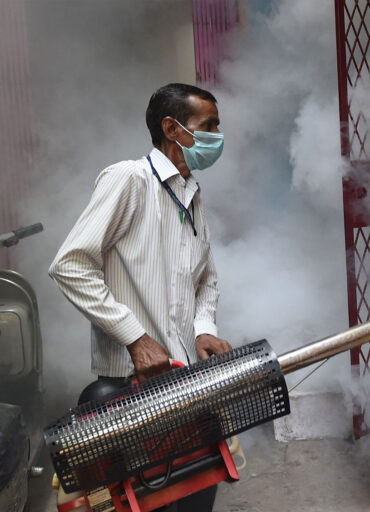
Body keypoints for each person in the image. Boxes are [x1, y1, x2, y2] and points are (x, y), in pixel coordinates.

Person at [49, 83, 232, 511]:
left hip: (184, 383)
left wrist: (203, 328)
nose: (218, 137)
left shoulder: (191, 192)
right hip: (126, 389)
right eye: (209, 126)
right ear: (172, 128)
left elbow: (207, 278)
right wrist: (135, 337)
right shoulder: (129, 180)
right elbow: (70, 265)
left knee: (192, 499)